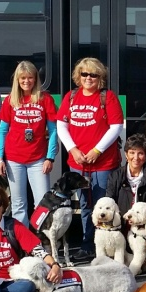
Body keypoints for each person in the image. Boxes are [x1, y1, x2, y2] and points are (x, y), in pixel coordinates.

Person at [56, 58, 124, 257]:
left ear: (100, 77)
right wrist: (73, 150)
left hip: (103, 162)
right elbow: (61, 124)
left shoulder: (107, 97)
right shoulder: (71, 96)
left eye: (93, 75)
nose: (88, 78)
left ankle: (107, 247)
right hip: (79, 162)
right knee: (85, 205)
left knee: (104, 204)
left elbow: (116, 126)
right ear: (78, 76)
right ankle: (88, 245)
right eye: (84, 74)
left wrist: (97, 150)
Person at [0, 60, 59, 226]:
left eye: (30, 78)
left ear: (36, 79)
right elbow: (2, 131)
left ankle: (41, 240)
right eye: (23, 78)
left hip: (38, 159)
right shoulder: (10, 100)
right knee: (18, 204)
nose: (26, 81)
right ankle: (21, 241)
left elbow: (53, 131)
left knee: (42, 203)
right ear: (17, 79)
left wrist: (50, 157)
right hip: (14, 160)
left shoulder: (45, 99)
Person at [105, 134, 146, 219]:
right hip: (120, 225)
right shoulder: (115, 176)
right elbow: (109, 204)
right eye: (132, 152)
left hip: (143, 226)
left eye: (140, 153)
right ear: (126, 154)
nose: (136, 157)